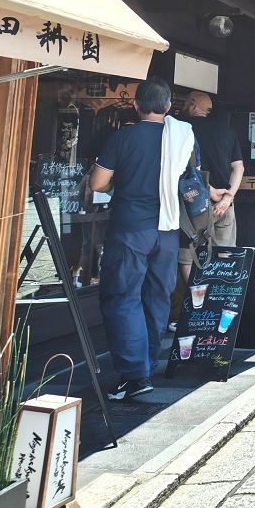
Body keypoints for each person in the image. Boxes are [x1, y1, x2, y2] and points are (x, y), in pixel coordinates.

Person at [88, 78, 186, 401]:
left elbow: (97, 183)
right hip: (168, 231)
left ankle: (134, 376)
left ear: (136, 105)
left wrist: (116, 185)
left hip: (131, 227)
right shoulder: (183, 138)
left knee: (123, 296)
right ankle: (146, 367)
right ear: (169, 107)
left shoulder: (124, 137)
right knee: (156, 297)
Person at [179, 91, 244, 285]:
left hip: (192, 203)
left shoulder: (183, 130)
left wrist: (208, 190)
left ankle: (195, 297)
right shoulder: (227, 131)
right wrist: (228, 197)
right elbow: (238, 167)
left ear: (192, 105)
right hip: (223, 206)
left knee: (187, 255)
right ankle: (217, 299)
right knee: (224, 254)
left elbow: (181, 169)